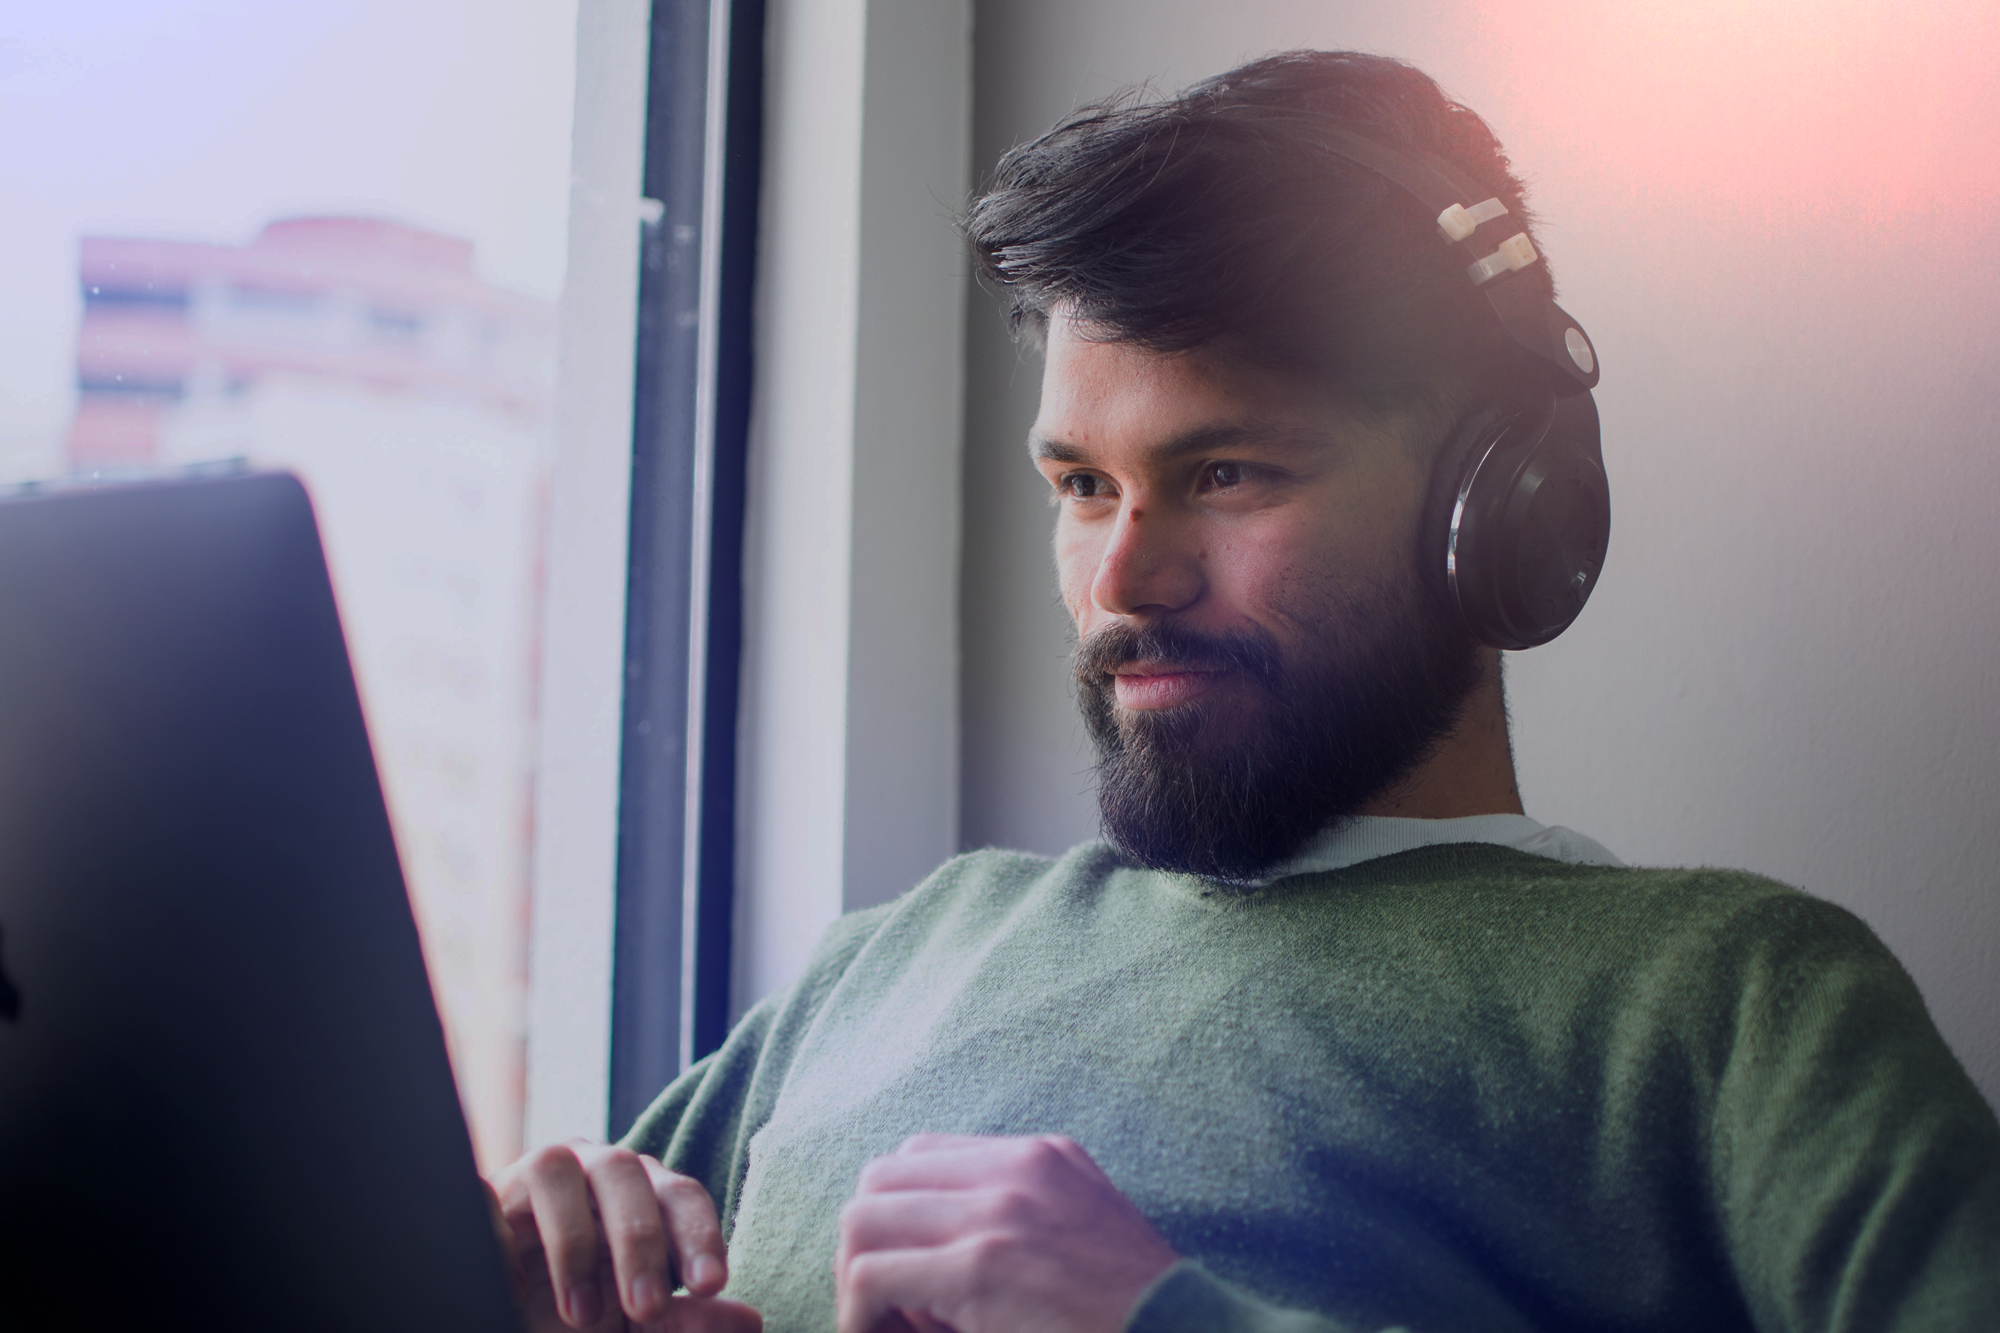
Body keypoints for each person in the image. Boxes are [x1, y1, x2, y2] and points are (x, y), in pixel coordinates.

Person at [489, 50, 2000, 1333]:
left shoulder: (1726, 1003)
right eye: (1083, 484)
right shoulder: (890, 964)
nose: (1124, 580)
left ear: (1505, 498)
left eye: (1225, 473)